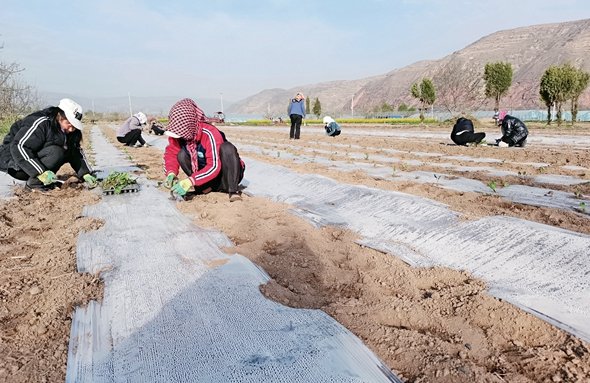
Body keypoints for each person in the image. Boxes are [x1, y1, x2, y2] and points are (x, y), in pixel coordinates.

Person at [0, 98, 97, 191]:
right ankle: (34, 184)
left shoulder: (70, 131)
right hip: (16, 164)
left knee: (64, 150)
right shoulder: (41, 123)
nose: (71, 129)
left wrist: (86, 173)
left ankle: (43, 181)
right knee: (56, 152)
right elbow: (18, 146)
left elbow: (75, 151)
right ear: (60, 116)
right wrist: (40, 172)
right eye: (69, 123)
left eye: (74, 125)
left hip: (35, 160)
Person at [162, 98, 245, 199]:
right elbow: (171, 154)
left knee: (227, 148)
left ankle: (232, 190)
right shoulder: (178, 135)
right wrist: (171, 173)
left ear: (188, 126)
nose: (177, 135)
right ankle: (203, 188)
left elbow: (214, 166)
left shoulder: (209, 134)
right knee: (181, 155)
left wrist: (191, 181)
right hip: (208, 179)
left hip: (225, 175)